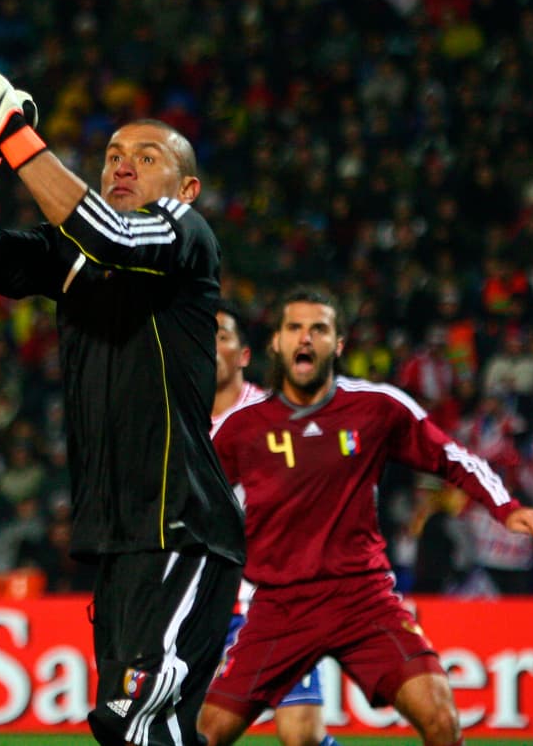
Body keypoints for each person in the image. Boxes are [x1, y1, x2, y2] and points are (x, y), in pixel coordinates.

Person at [0, 69, 245, 746]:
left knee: (138, 722)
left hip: (180, 523)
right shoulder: (69, 253)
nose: (122, 166)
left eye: (147, 157)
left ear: (187, 188)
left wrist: (15, 132)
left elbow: (114, 239)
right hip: (115, 529)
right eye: (112, 155)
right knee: (133, 727)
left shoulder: (184, 232)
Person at [201, 287, 533, 746]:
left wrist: (506, 507)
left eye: (318, 329)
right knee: (206, 734)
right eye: (294, 328)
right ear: (276, 342)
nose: (305, 338)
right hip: (278, 607)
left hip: (362, 599)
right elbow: (192, 507)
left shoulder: (376, 406)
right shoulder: (242, 428)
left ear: (338, 344)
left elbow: (450, 456)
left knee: (441, 718)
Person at [210, 302, 336, 746]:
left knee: (301, 735)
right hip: (202, 600)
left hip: (274, 597)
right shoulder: (178, 422)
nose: (209, 347)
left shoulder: (273, 416)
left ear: (244, 355)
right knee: (196, 733)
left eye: (221, 336)